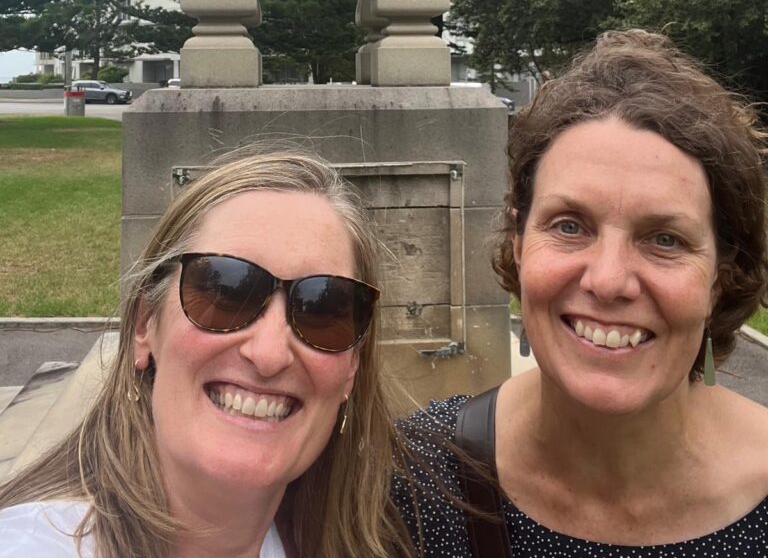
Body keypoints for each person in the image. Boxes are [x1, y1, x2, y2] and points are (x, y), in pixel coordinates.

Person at [395, 30, 768, 556]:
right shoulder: (412, 483)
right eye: (570, 226)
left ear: (720, 279)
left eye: (665, 239)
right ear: (519, 243)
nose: (609, 281)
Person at [0, 150, 415, 558]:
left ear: (351, 370)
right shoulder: (32, 544)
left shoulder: (359, 538)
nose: (269, 354)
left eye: (323, 309)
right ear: (145, 326)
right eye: (225, 291)